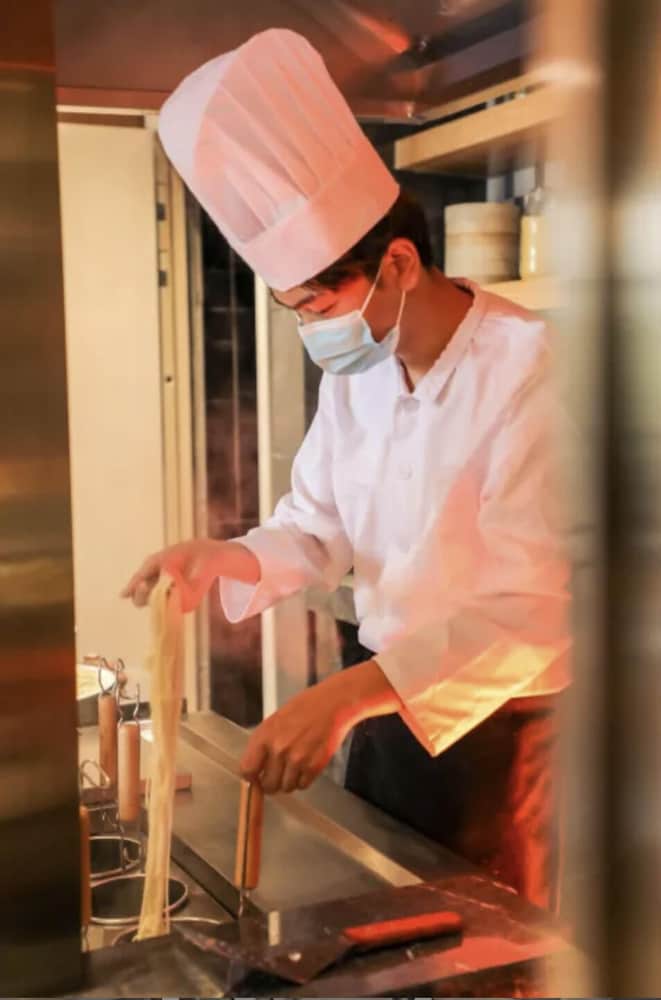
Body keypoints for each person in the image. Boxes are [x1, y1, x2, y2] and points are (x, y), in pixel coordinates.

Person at [122, 28, 571, 911]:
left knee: (484, 944)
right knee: (379, 914)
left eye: (317, 303)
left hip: (500, 735)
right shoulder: (362, 370)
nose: (311, 328)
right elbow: (316, 525)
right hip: (381, 707)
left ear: (397, 263)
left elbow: (534, 610)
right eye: (293, 309)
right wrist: (224, 557)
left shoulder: (532, 373)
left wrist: (341, 697)